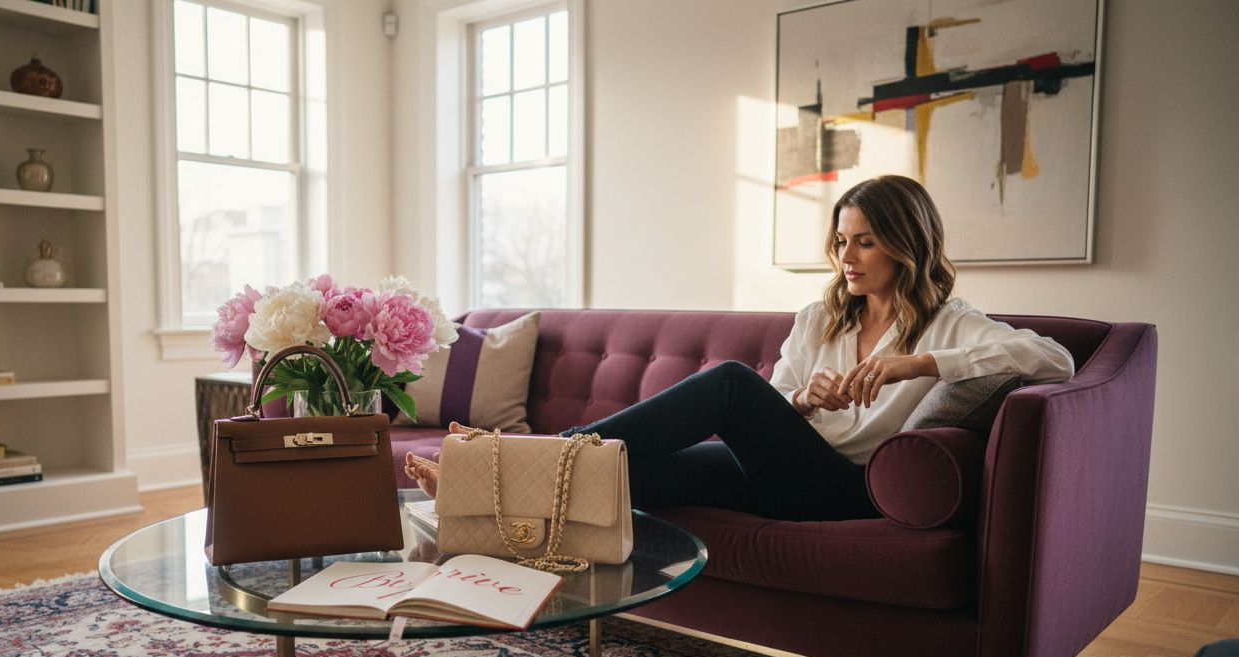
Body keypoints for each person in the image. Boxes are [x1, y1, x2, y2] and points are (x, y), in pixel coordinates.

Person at [406, 175, 1074, 520]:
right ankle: (489, 486)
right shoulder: (822, 319)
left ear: (906, 243)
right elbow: (778, 399)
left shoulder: (950, 323)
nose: (847, 255)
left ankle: (510, 458)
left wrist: (918, 363)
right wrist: (805, 402)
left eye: (865, 240)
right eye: (841, 241)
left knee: (727, 382)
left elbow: (1054, 360)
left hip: (846, 490)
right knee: (622, 470)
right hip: (778, 473)